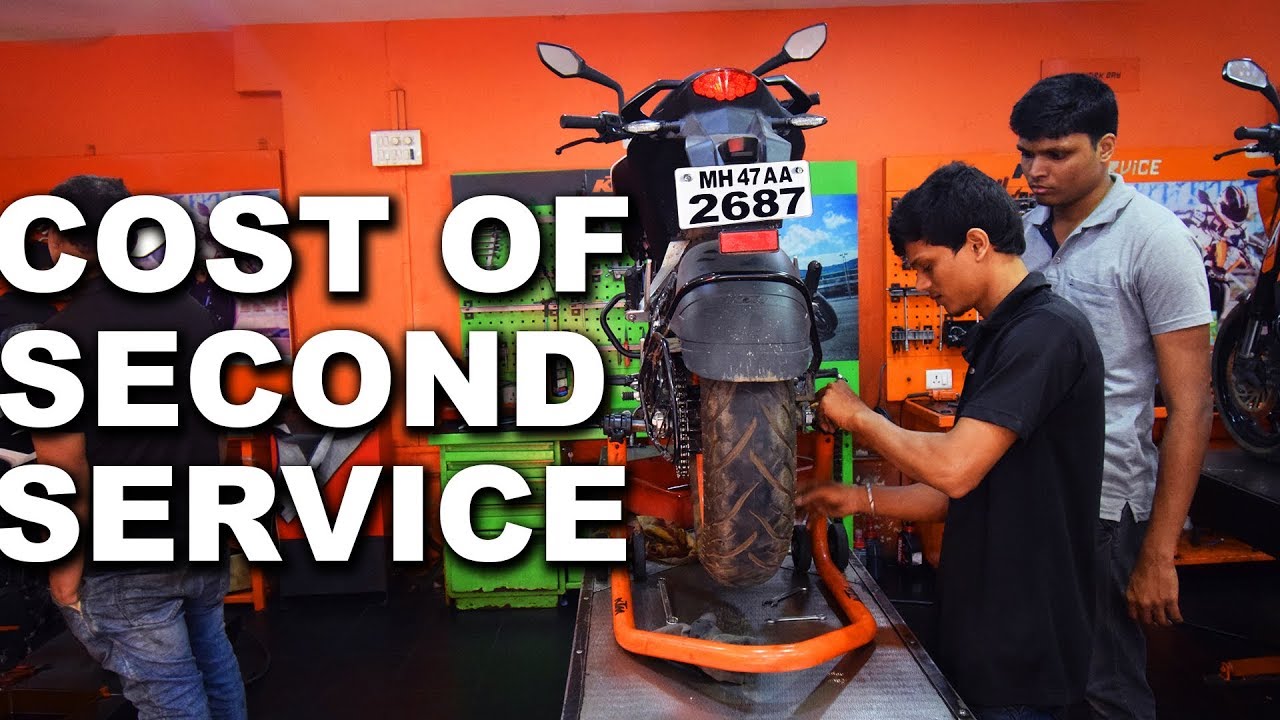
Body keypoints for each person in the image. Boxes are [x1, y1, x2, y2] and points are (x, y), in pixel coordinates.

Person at [799, 162, 1105, 720]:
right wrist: (856, 498)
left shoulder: (1046, 333)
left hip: (1024, 653)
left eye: (927, 266)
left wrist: (859, 417)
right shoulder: (1004, 336)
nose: (921, 284)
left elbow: (956, 469)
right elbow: (960, 494)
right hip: (985, 632)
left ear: (977, 244)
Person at [1011, 74, 1214, 720]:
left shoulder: (1156, 240)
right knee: (1032, 677)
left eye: (1057, 153)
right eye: (1026, 153)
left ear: (1106, 147)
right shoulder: (1020, 235)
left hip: (1104, 504)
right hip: (1025, 493)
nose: (1036, 170)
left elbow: (1192, 405)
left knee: (1105, 687)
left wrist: (1159, 551)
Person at [29, 175, 248, 720]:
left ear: (59, 240)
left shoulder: (57, 339)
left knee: (168, 694)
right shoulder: (191, 313)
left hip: (125, 553)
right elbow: (218, 429)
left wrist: (64, 568)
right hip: (197, 527)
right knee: (214, 663)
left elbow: (64, 469)